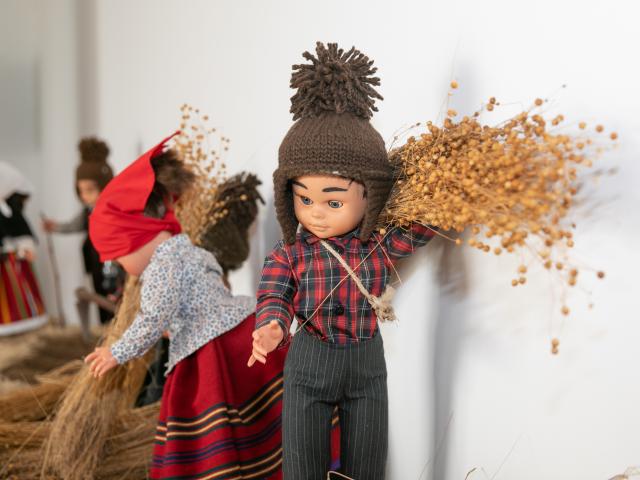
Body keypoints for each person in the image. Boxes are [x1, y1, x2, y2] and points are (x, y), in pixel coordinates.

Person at [249, 42, 435, 479]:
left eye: (333, 202)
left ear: (371, 195)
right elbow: (274, 293)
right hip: (309, 363)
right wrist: (272, 325)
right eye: (304, 199)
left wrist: (441, 196)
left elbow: (419, 232)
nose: (316, 213)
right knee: (302, 462)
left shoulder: (376, 246)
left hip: (366, 367)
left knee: (367, 461)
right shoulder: (290, 253)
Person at [85, 133, 287, 479]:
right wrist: (175, 323)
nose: (123, 268)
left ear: (134, 239)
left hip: (211, 349)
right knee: (258, 414)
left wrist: (115, 352)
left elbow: (151, 319)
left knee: (204, 424)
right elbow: (200, 293)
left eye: (118, 258)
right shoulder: (186, 248)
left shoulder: (161, 267)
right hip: (240, 327)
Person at [42, 137, 123, 324]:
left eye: (90, 190)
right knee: (99, 295)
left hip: (112, 260)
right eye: (81, 190)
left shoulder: (113, 210)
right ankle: (105, 328)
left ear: (105, 185)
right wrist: (56, 227)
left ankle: (117, 327)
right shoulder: (89, 211)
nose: (85, 195)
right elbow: (76, 225)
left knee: (115, 296)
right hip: (93, 259)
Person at [0, 162, 47, 335]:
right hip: (7, 259)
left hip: (12, 260)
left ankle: (19, 326)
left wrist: (25, 246)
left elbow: (20, 230)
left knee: (17, 296)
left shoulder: (8, 210)